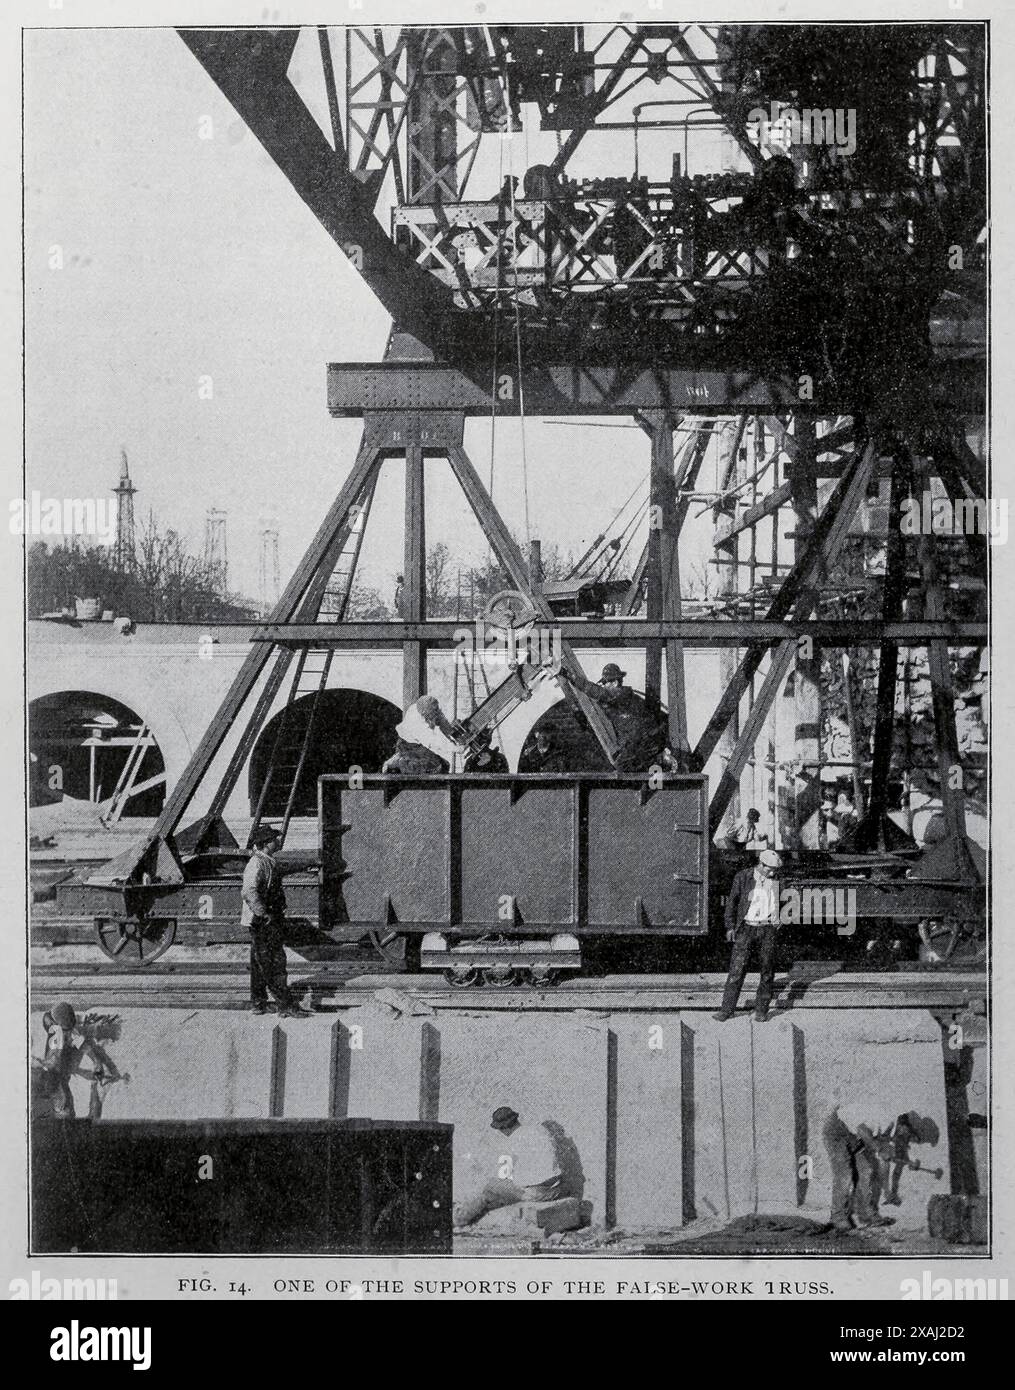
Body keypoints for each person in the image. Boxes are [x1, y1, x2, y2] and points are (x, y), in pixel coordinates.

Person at [454, 1106, 564, 1227]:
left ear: (503, 1128)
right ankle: (468, 1216)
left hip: (535, 1192)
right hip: (555, 1189)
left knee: (489, 1187)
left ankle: (458, 1220)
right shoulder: (540, 1130)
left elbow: (504, 1174)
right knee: (496, 1194)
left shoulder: (513, 1140)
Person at [242, 825, 307, 1018]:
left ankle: (258, 1003)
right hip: (263, 920)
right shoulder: (256, 863)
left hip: (265, 919)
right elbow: (249, 891)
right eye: (274, 839)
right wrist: (263, 913)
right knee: (274, 962)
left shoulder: (267, 861)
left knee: (259, 963)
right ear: (265, 844)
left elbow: (282, 869)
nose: (278, 841)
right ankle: (285, 1006)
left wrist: (307, 864)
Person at [713, 848, 783, 1023]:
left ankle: (761, 1011)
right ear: (760, 864)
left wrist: (781, 918)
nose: (772, 873)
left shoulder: (778, 881)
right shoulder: (743, 877)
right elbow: (732, 903)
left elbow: (787, 902)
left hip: (767, 930)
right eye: (769, 869)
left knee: (767, 972)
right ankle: (726, 1010)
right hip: (746, 929)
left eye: (775, 870)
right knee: (736, 971)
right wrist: (730, 926)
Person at [822, 1102, 914, 1233]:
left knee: (866, 1171)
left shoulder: (889, 1131)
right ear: (901, 1126)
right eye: (905, 1135)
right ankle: (838, 1217)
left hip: (854, 1136)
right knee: (845, 1174)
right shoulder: (884, 1120)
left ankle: (868, 1215)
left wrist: (887, 1192)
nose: (904, 1139)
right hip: (837, 1130)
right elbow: (861, 1129)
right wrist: (878, 1147)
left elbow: (884, 1161)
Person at [570, 662, 666, 773]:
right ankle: (657, 765)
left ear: (615, 683)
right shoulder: (620, 700)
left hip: (644, 741)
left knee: (622, 766)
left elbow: (598, 692)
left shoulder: (621, 695)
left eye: (605, 683)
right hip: (643, 741)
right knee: (626, 765)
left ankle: (660, 761)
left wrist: (571, 677)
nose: (604, 686)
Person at [382, 694, 466, 774]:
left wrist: (455, 736)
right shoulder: (417, 724)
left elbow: (443, 723)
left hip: (417, 744)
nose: (435, 715)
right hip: (408, 745)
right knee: (435, 767)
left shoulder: (431, 708)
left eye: (436, 711)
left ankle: (402, 758)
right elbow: (434, 742)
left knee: (444, 764)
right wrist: (455, 748)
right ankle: (398, 763)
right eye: (431, 715)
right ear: (424, 715)